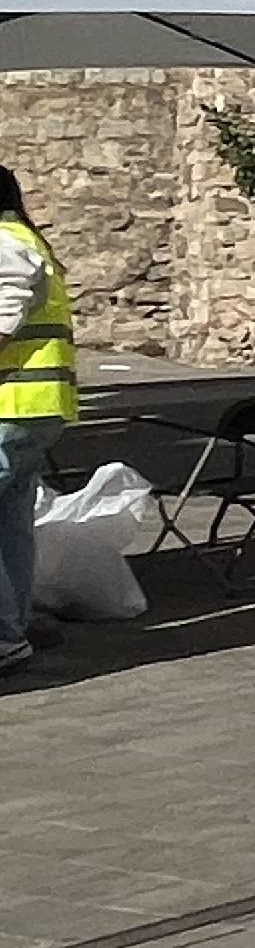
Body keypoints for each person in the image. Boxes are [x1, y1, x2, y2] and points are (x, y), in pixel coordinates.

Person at [0, 166, 76, 672]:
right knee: (11, 527)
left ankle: (6, 636)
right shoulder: (27, 238)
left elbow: (4, 317)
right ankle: (13, 630)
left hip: (11, 405)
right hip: (35, 408)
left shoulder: (4, 242)